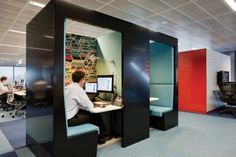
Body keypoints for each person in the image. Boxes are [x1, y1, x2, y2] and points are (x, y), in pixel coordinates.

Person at [64, 71, 107, 144]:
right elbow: (90, 107)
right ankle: (102, 138)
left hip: (64, 118)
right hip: (70, 120)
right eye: (84, 80)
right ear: (81, 80)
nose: (84, 81)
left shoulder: (67, 87)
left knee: (85, 112)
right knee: (95, 115)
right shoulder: (79, 89)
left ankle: (97, 136)